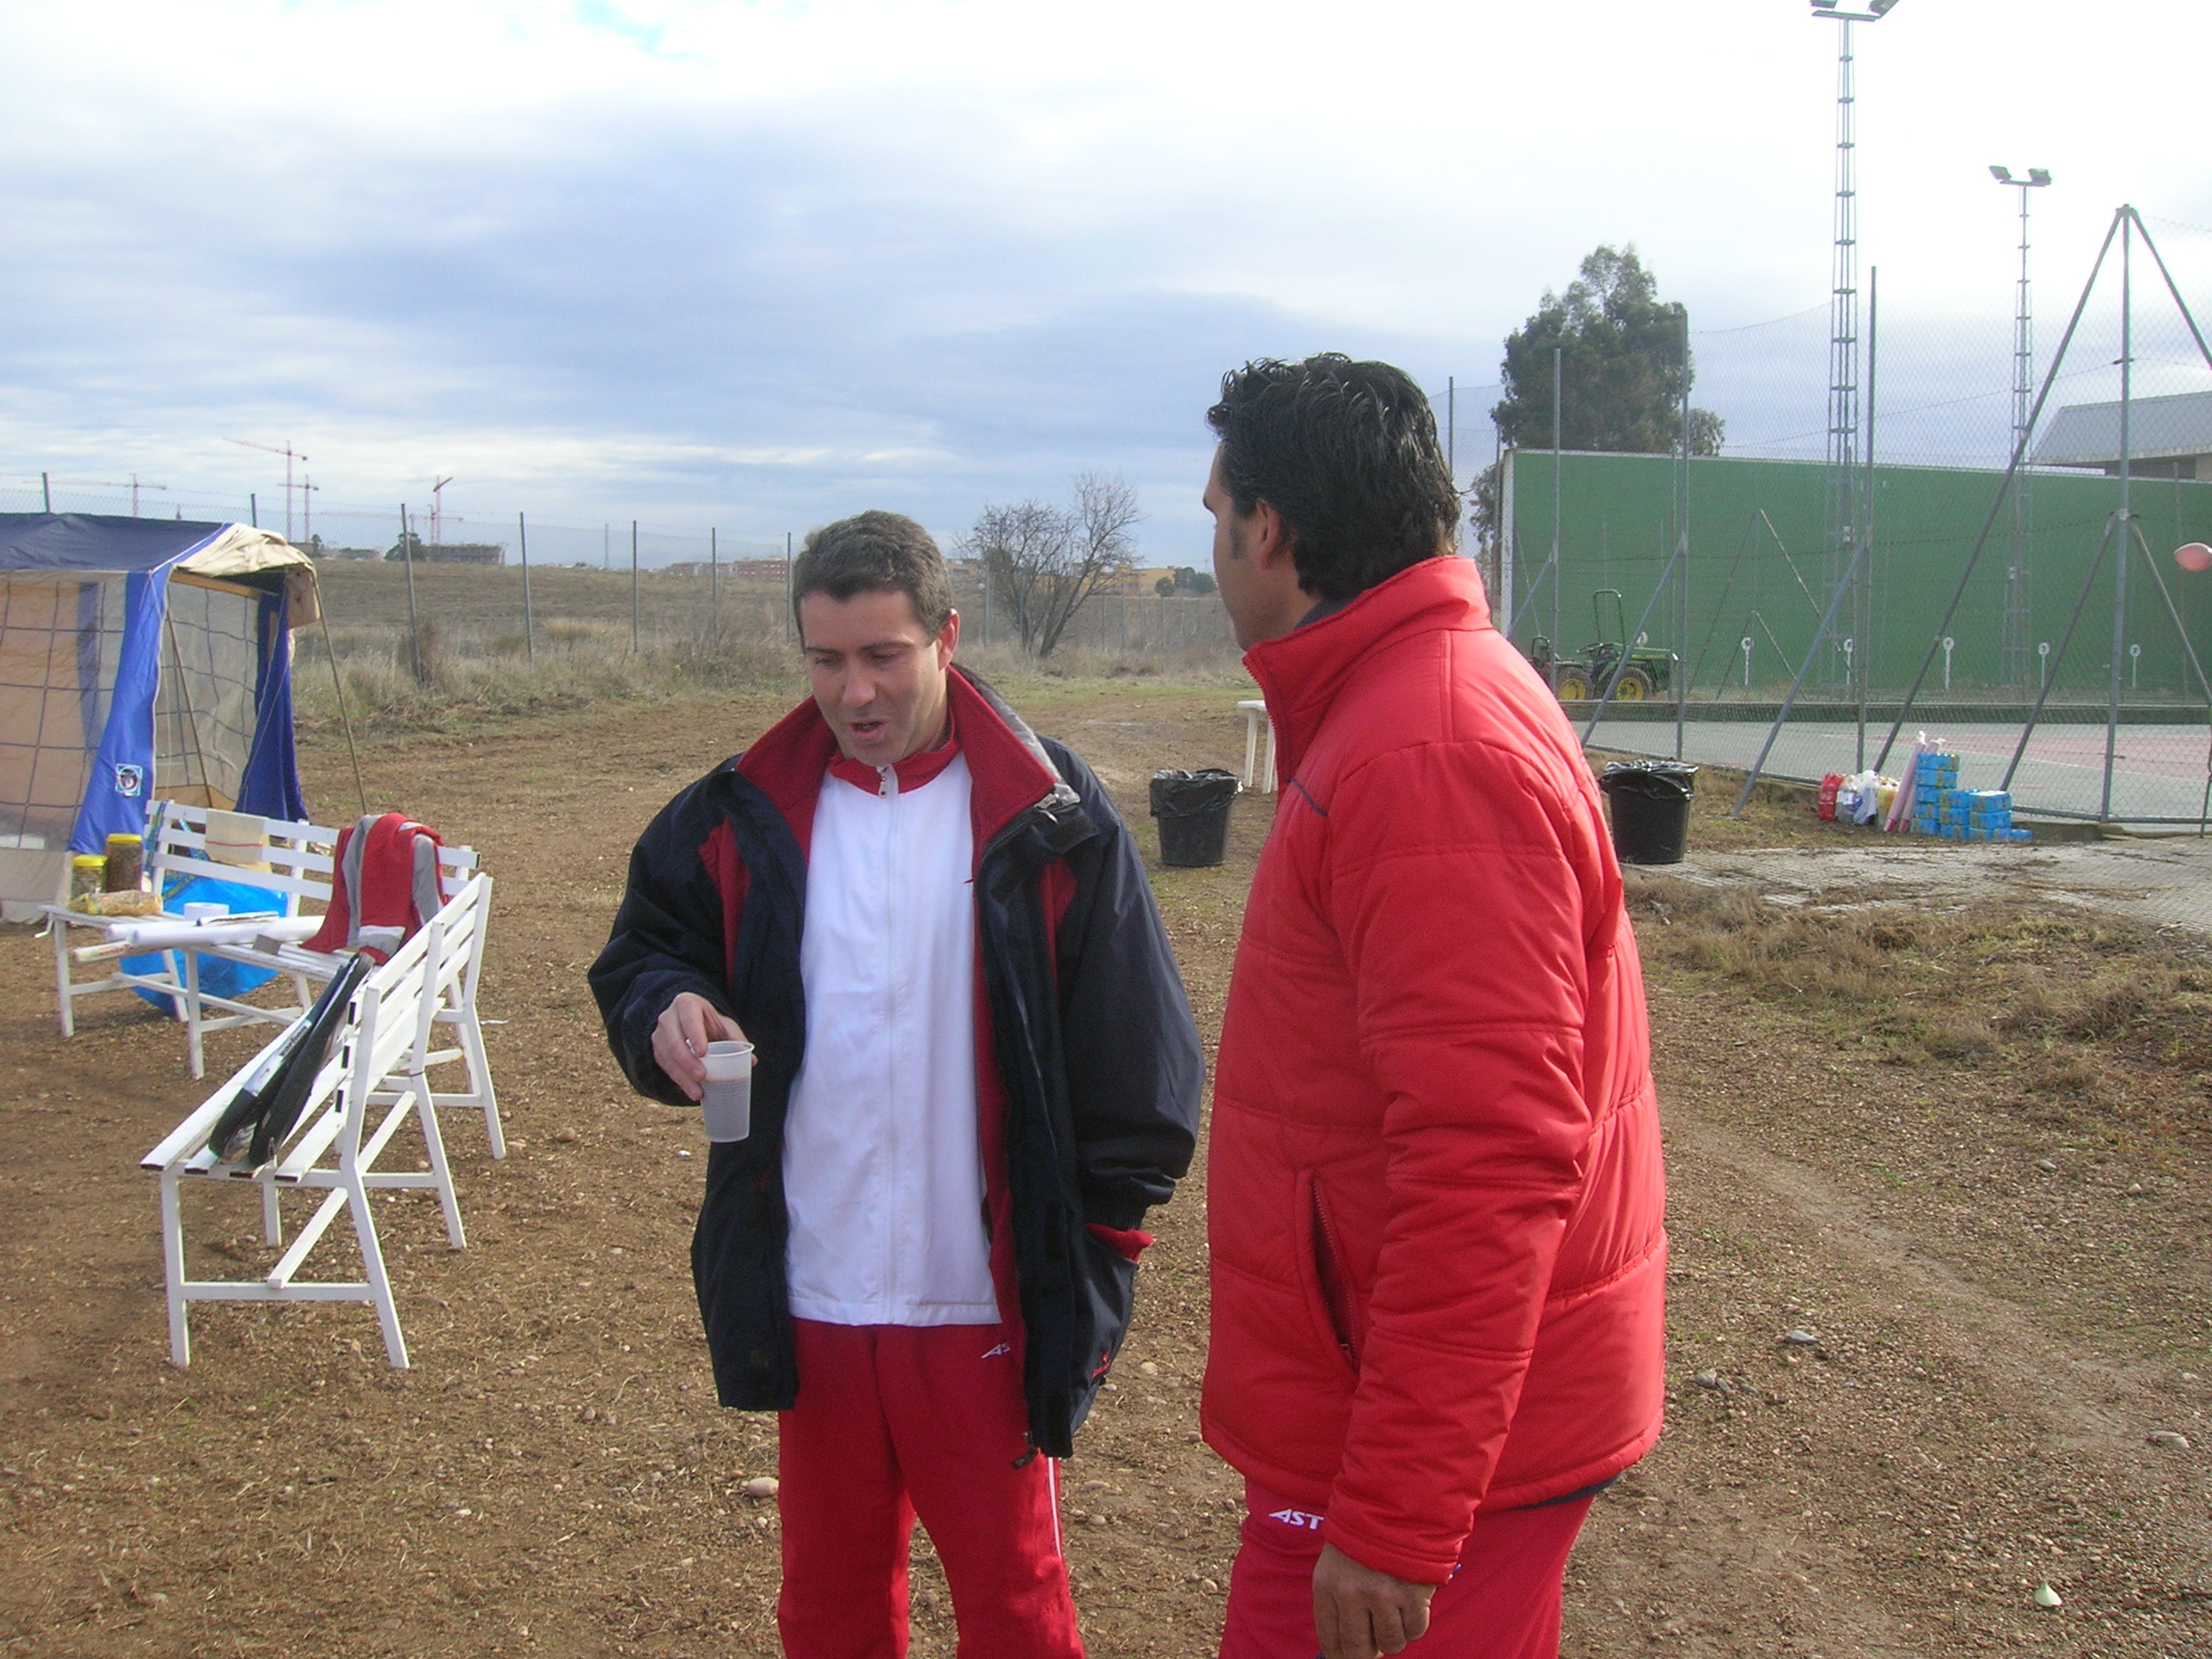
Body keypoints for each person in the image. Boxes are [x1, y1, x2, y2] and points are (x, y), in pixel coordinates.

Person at [590, 510, 1203, 1658]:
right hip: (813, 1293)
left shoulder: (1050, 811)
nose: (854, 691)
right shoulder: (744, 808)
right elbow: (645, 950)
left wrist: (1092, 1253)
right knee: (827, 1608)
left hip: (978, 1303)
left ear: (947, 638)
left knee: (1016, 1611)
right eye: (825, 659)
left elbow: (1141, 1057)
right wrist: (664, 1005)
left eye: (884, 655)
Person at [1197, 356, 1668, 1659]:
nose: (1214, 549)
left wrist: (1399, 1513)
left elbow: (1488, 1157)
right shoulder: (1408, 702)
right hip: (1400, 1404)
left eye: (1216, 515)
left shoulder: (1429, 750)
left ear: (1269, 530)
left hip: (1421, 1447)